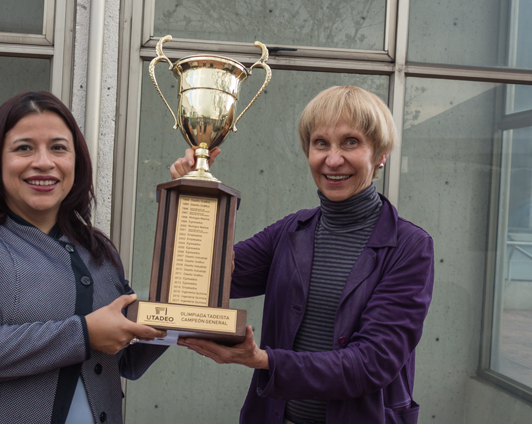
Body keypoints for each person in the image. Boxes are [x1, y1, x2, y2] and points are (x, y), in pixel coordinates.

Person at [171, 85, 434, 424]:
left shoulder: (410, 247)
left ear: (380, 154)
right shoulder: (291, 230)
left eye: (350, 142)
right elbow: (207, 276)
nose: (333, 159)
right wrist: (194, 198)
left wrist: (265, 361)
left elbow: (371, 363)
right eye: (321, 143)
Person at [0, 91, 167, 424]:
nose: (44, 162)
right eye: (24, 148)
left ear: (76, 161)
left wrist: (183, 309)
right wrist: (84, 334)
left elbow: (126, 360)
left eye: (58, 148)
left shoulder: (97, 249)